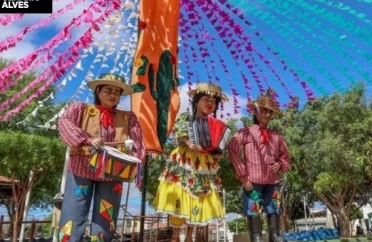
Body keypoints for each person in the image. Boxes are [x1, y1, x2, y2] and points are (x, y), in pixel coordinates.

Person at [57, 73, 145, 242]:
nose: (113, 95)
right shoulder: (80, 109)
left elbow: (138, 143)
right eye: (108, 90)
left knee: (107, 217)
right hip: (81, 168)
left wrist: (135, 163)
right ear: (98, 91)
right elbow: (64, 123)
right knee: (73, 212)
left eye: (117, 92)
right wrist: (87, 139)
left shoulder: (128, 117)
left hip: (114, 172)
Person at [153, 83, 229, 242]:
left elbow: (216, 145)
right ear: (196, 101)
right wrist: (189, 143)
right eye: (206, 99)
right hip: (184, 160)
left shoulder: (213, 124)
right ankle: (175, 236)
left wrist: (217, 154)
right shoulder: (186, 117)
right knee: (179, 195)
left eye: (213, 102)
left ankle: (189, 237)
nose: (210, 103)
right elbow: (180, 132)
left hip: (204, 164)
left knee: (199, 197)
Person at [228, 92, 291, 242]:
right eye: (264, 110)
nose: (268, 114)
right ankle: (256, 238)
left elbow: (286, 156)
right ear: (256, 112)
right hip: (252, 181)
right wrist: (243, 176)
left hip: (273, 182)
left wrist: (280, 164)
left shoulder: (277, 136)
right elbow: (232, 149)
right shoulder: (246, 131)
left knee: (274, 207)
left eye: (270, 112)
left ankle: (274, 236)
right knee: (253, 208)